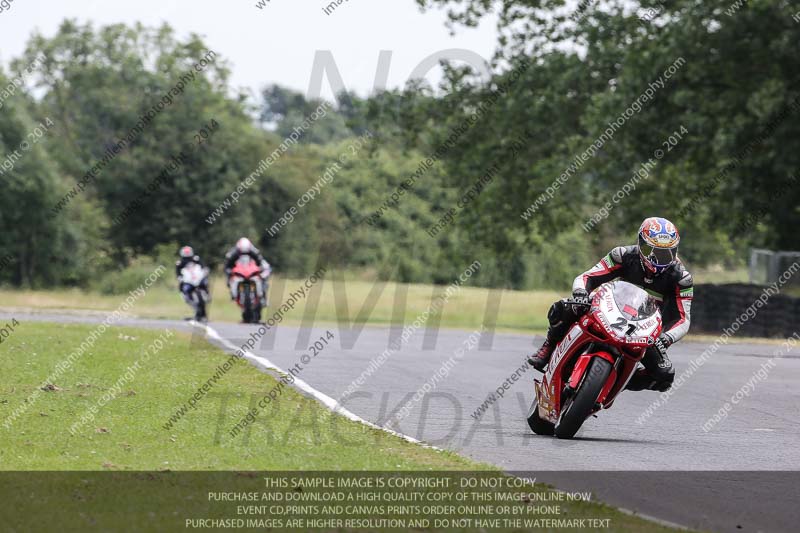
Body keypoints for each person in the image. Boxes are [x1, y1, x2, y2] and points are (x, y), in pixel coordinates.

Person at [527, 217, 693, 392]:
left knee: (664, 376)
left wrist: (666, 338)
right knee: (564, 307)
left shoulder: (681, 278)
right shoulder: (622, 255)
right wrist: (581, 293)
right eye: (650, 251)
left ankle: (621, 380)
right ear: (640, 244)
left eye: (665, 253)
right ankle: (548, 347)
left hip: (645, 329)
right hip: (609, 308)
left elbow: (683, 318)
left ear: (675, 251)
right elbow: (587, 276)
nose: (657, 259)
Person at [223, 237, 272, 306]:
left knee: (263, 280)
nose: (244, 253)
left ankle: (263, 297)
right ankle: (233, 293)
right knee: (229, 279)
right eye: (242, 251)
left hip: (252, 272)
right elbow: (227, 264)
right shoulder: (233, 253)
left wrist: (262, 269)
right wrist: (228, 271)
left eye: (246, 251)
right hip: (238, 273)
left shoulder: (254, 251)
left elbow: (260, 261)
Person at [175, 245, 209, 320]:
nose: (187, 259)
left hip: (197, 278)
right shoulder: (180, 262)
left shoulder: (196, 259)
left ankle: (207, 294)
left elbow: (203, 266)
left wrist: (205, 271)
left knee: (205, 282)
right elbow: (178, 272)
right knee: (183, 287)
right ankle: (186, 296)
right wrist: (180, 277)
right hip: (187, 280)